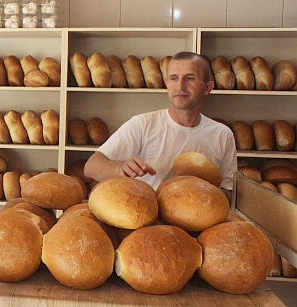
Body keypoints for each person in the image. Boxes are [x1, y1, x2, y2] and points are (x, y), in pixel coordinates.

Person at [84, 51, 237, 200]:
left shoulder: (222, 134)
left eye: (190, 78)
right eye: (174, 78)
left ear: (207, 88)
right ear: (167, 84)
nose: (180, 86)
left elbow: (228, 191)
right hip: (149, 218)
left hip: (200, 221)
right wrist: (120, 168)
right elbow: (91, 166)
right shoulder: (143, 124)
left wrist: (201, 192)